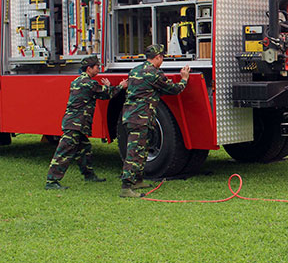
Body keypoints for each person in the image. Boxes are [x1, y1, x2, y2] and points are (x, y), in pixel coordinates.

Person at [45, 56, 128, 190]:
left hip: (75, 123)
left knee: (84, 149)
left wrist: (107, 88)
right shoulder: (89, 83)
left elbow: (101, 93)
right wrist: (121, 86)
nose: (98, 69)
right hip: (75, 124)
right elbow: (107, 94)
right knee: (64, 152)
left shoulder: (78, 81)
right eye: (96, 67)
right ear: (89, 68)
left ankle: (88, 174)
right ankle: (52, 181)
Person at [119, 44, 190, 198]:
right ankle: (126, 187)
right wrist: (184, 79)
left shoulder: (135, 70)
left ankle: (137, 180)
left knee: (142, 150)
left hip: (132, 117)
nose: (162, 60)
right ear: (157, 57)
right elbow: (174, 90)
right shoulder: (154, 74)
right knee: (134, 152)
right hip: (140, 118)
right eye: (162, 57)